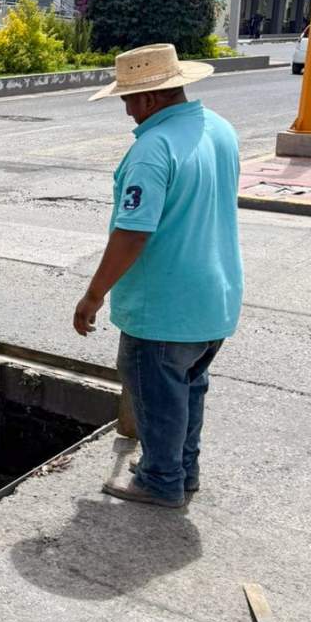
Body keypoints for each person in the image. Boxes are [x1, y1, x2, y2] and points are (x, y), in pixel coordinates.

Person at [74, 43, 243, 509]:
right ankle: (182, 470)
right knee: (187, 388)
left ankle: (160, 480)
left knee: (155, 390)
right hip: (214, 298)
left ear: (149, 98)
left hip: (165, 307)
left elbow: (132, 232)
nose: (128, 111)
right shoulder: (219, 129)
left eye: (129, 100)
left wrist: (93, 295)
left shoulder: (152, 149)